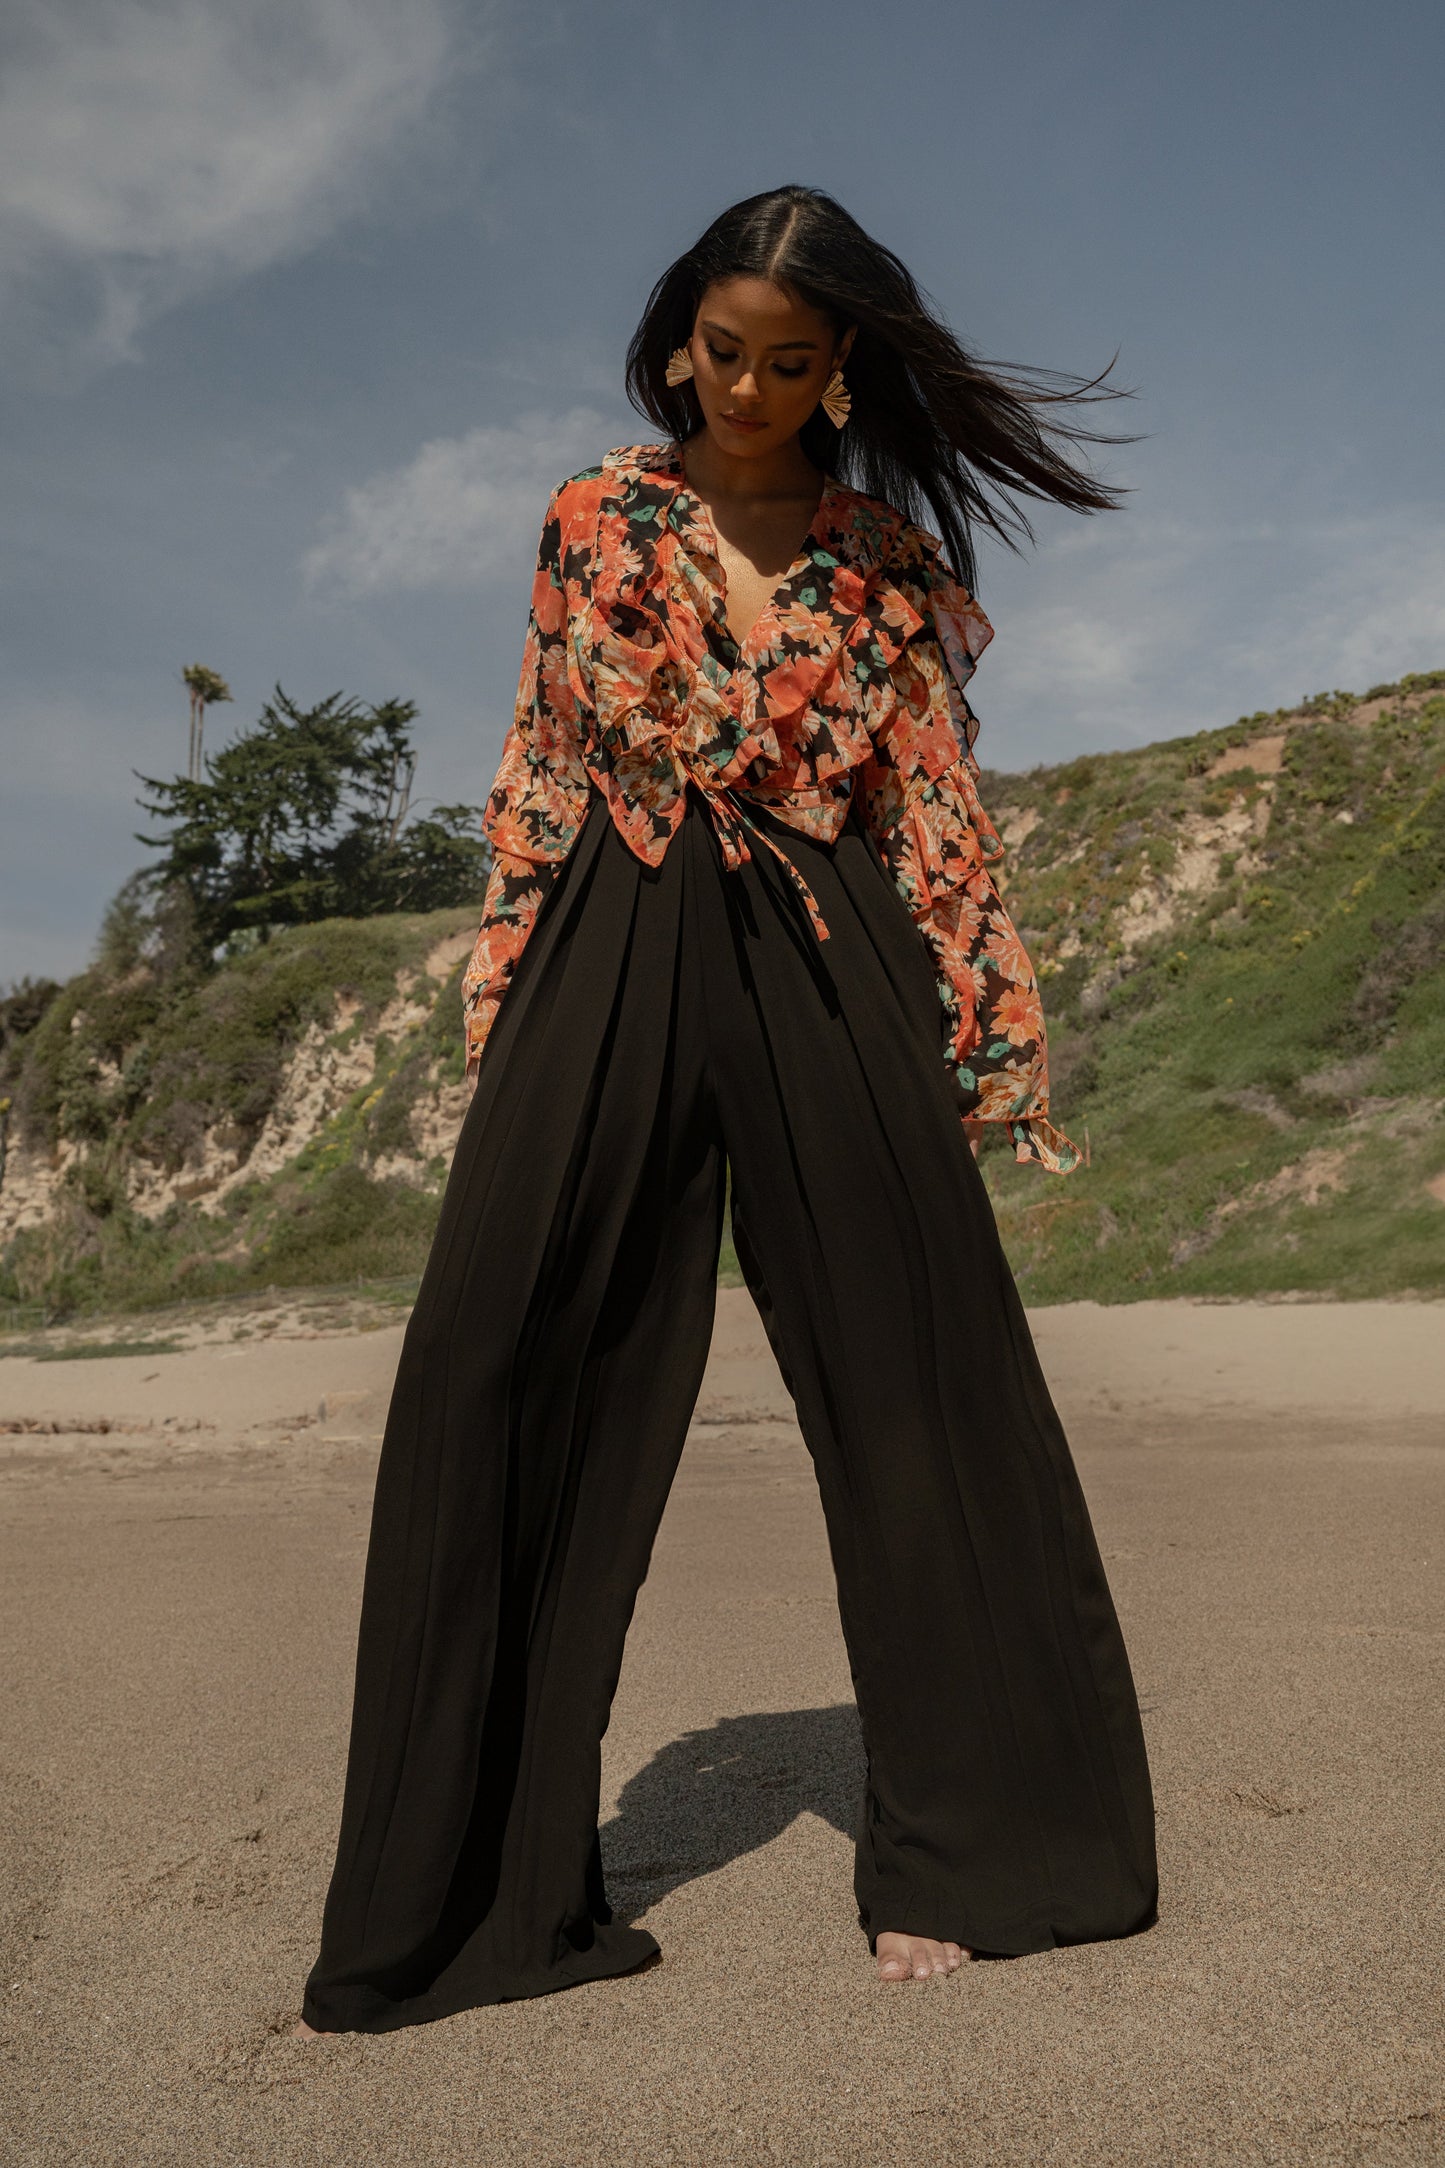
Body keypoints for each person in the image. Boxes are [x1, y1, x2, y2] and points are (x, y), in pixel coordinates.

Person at [296, 184, 1158, 2038]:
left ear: (842, 365)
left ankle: (983, 1855)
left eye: (787, 361)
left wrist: (986, 1024)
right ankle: (476, 1902)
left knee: (925, 1373)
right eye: (720, 350)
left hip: (830, 939)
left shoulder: (888, 563)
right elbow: (540, 746)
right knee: (487, 1364)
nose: (747, 388)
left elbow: (929, 802)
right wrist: (506, 969)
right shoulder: (595, 514)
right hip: (616, 913)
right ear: (678, 333)